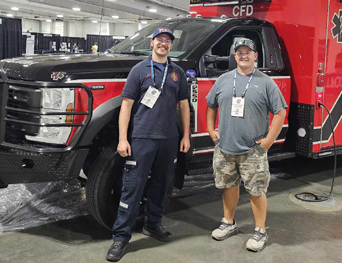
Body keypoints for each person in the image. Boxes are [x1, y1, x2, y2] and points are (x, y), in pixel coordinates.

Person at [106, 27, 191, 262]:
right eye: (160, 40)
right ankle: (120, 238)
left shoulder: (177, 73)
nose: (163, 44)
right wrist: (123, 139)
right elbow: (126, 105)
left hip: (169, 139)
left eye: (168, 41)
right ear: (151, 43)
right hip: (143, 138)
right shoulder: (139, 70)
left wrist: (185, 136)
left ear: (171, 46)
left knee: (162, 185)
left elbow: (184, 105)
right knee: (132, 187)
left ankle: (153, 225)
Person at [204, 39, 287, 252]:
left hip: (253, 150)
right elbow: (211, 106)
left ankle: (260, 231)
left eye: (247, 52)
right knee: (229, 186)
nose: (243, 56)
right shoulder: (223, 80)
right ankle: (228, 223)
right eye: (239, 52)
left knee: (257, 190)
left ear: (255, 56)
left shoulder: (266, 82)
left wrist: (269, 141)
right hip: (225, 148)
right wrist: (211, 130)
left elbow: (280, 112)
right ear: (235, 56)